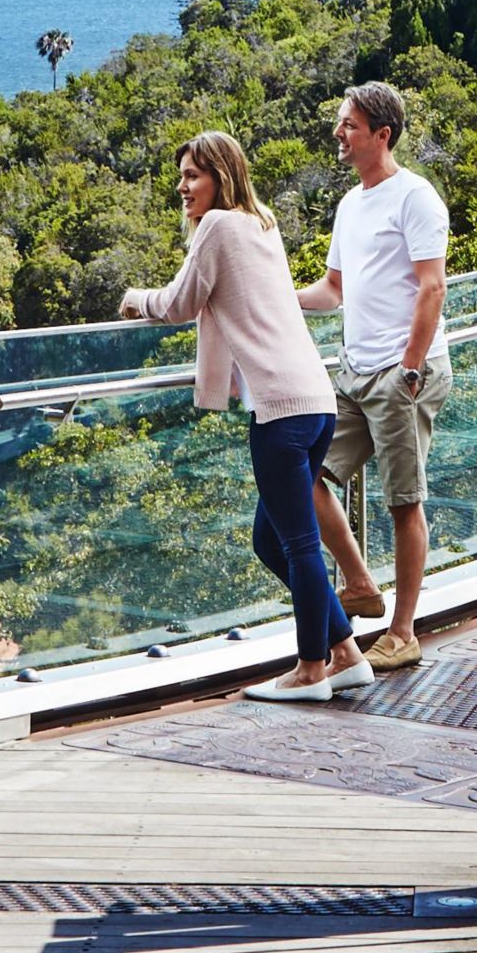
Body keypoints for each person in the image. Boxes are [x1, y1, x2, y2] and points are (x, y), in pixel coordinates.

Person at [120, 132, 366, 703]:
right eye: (181, 175)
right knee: (269, 539)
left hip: (281, 412)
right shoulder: (260, 223)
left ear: (220, 177)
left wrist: (136, 297)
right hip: (314, 402)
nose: (183, 187)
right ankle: (347, 654)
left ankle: (310, 671)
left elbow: (180, 303)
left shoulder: (219, 227)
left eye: (193, 176)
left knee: (300, 544)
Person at [303, 80, 451, 672]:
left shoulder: (416, 198)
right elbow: (333, 290)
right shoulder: (350, 205)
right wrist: (273, 300)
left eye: (349, 126)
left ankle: (403, 632)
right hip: (354, 373)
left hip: (402, 374)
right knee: (303, 470)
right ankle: (361, 583)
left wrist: (409, 371)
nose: (339, 134)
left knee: (402, 501)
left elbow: (431, 286)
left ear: (381, 135)